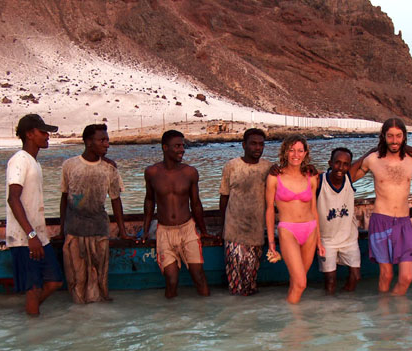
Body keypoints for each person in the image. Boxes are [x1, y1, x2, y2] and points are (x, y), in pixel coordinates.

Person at [351, 117, 412, 295]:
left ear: (404, 137)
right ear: (384, 136)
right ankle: (385, 316)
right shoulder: (373, 159)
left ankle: (398, 318)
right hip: (381, 222)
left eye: (398, 136)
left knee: (406, 278)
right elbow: (350, 177)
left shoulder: (411, 158)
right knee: (386, 276)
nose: (394, 140)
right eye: (390, 136)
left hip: (403, 222)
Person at [59, 123, 134, 304]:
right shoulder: (70, 165)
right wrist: (63, 229)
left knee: (98, 280)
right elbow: (64, 198)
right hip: (75, 231)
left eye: (107, 140)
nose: (107, 144)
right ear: (88, 142)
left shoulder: (110, 169)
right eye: (102, 140)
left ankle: (96, 320)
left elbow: (116, 200)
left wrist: (123, 231)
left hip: (99, 231)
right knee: (77, 280)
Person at [142, 130, 212, 298]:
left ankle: (207, 317)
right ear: (165, 148)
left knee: (199, 276)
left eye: (183, 145)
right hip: (164, 231)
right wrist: (145, 230)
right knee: (171, 280)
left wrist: (203, 231)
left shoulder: (190, 172)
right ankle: (170, 319)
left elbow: (196, 204)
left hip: (187, 229)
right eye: (177, 146)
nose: (182, 150)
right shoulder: (152, 172)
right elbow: (149, 201)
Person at [6, 114, 63, 315]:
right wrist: (31, 236)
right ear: (30, 134)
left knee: (55, 281)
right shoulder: (19, 161)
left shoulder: (34, 163)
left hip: (38, 236)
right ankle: (32, 330)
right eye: (43, 132)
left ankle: (30, 317)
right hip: (25, 238)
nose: (47, 136)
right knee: (33, 288)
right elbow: (13, 199)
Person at [265, 135, 324, 303]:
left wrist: (319, 240)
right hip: (288, 231)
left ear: (305, 153)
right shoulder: (274, 177)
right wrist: (271, 242)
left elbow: (314, 209)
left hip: (310, 230)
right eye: (291, 150)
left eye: (300, 150)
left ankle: (292, 317)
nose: (295, 155)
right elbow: (269, 210)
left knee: (297, 281)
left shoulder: (311, 177)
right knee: (301, 283)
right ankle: (294, 323)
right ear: (285, 152)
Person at [219, 128, 272, 295]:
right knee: (236, 284)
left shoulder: (268, 168)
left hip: (256, 232)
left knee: (250, 282)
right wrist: (223, 226)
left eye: (261, 144)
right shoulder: (231, 166)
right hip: (233, 232)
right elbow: (224, 197)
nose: (257, 148)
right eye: (253, 144)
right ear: (244, 145)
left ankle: (248, 314)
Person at [316, 147, 361, 294]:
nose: (341, 168)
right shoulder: (319, 181)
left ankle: (346, 310)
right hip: (326, 240)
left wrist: (375, 148)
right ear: (330, 163)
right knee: (330, 282)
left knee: (355, 277)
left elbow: (366, 161)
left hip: (349, 238)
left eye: (346, 164)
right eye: (337, 163)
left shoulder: (349, 177)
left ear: (349, 165)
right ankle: (329, 312)